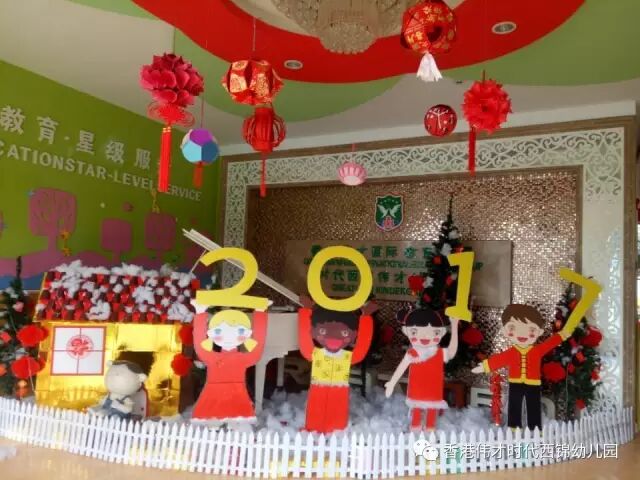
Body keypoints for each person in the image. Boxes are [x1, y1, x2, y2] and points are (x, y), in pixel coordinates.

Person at [470, 304, 574, 430]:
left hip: (533, 384)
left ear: (539, 332)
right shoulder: (511, 352)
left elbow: (550, 343)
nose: (522, 334)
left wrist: (562, 335)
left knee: (533, 406)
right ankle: (514, 427)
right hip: (515, 383)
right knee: (514, 405)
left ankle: (535, 428)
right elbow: (498, 360)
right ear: (505, 331)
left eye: (531, 330)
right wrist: (485, 366)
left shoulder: (537, 351)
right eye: (513, 328)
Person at [298, 296, 376, 433]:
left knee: (338, 413)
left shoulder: (346, 356)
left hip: (339, 389)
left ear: (354, 334)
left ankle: (336, 431)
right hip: (318, 387)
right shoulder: (316, 353)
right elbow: (304, 338)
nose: (333, 338)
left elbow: (362, 346)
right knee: (315, 409)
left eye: (344, 333)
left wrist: (366, 318)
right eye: (323, 331)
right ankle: (313, 429)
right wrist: (306, 311)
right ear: (313, 332)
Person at [191, 300, 270, 425]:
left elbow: (258, 347)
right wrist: (200, 313)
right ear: (211, 334)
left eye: (239, 331)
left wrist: (260, 313)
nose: (228, 337)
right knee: (212, 424)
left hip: (236, 395)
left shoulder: (240, 358)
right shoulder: (212, 357)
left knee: (236, 424)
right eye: (219, 331)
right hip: (214, 396)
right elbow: (199, 344)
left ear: (247, 334)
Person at [384, 307, 460, 431]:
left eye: (434, 333)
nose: (425, 337)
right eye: (415, 332)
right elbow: (401, 367)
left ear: (440, 333)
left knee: (431, 414)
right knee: (416, 413)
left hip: (433, 390)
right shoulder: (412, 353)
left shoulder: (439, 353)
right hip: (417, 390)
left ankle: (429, 431)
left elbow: (451, 352)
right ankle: (415, 430)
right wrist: (392, 383)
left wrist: (455, 327)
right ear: (408, 332)